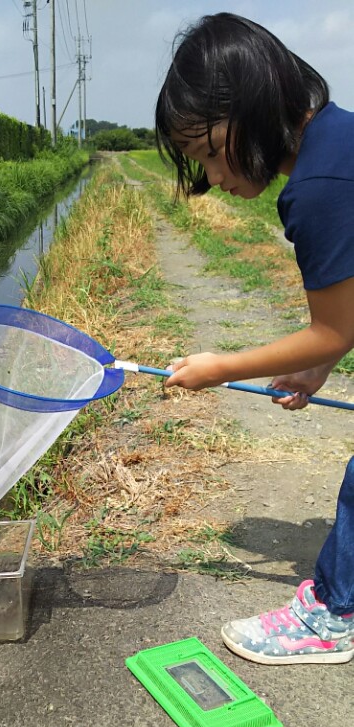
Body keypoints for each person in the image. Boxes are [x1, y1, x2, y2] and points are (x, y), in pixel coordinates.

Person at [155, 12, 354, 664]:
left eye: (211, 152)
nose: (213, 177)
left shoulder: (319, 189)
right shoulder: (338, 139)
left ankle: (331, 615)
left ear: (254, 107)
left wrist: (220, 368)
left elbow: (335, 326)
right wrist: (320, 368)